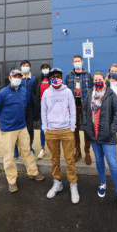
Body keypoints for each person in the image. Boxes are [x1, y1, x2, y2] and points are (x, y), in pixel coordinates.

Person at [0, 69, 45, 193]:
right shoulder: (2, 93)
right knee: (9, 156)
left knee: (27, 151)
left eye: (19, 76)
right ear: (10, 78)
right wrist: (5, 121)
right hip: (8, 130)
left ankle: (33, 172)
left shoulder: (24, 91)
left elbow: (23, 106)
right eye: (14, 76)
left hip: (22, 127)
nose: (17, 78)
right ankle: (12, 180)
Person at [82, 72, 117, 213]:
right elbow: (84, 112)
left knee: (113, 165)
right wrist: (86, 128)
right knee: (100, 162)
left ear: (104, 80)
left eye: (100, 79)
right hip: (94, 137)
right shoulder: (89, 94)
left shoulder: (110, 94)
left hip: (108, 137)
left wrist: (112, 129)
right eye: (95, 80)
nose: (97, 81)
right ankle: (103, 184)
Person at [41, 68, 79, 204]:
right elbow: (43, 111)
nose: (56, 78)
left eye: (58, 76)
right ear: (50, 78)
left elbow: (73, 109)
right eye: (53, 76)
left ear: (61, 77)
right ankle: (57, 182)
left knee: (70, 159)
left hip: (66, 130)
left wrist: (72, 127)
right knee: (54, 159)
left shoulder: (67, 92)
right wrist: (45, 129)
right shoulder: (46, 93)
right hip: (51, 131)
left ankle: (73, 184)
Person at [64, 55, 93, 165]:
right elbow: (65, 92)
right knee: (74, 130)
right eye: (75, 61)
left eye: (78, 61)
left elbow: (91, 91)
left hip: (85, 107)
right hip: (73, 108)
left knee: (86, 129)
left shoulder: (88, 75)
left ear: (82, 62)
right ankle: (78, 152)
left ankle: (87, 152)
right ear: (72, 63)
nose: (77, 63)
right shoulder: (68, 76)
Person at [14, 60, 36, 159]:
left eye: (27, 65)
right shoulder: (17, 78)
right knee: (16, 129)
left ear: (30, 67)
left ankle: (29, 146)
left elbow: (36, 93)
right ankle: (15, 149)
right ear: (21, 67)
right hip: (19, 108)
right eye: (23, 65)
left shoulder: (34, 79)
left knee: (30, 129)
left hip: (30, 108)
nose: (25, 67)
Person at [32, 63, 51, 159]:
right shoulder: (38, 79)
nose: (45, 69)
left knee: (52, 128)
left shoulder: (52, 78)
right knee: (43, 128)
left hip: (52, 108)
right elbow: (34, 92)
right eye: (43, 68)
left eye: (46, 68)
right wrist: (37, 101)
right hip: (41, 107)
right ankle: (42, 148)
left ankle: (52, 148)